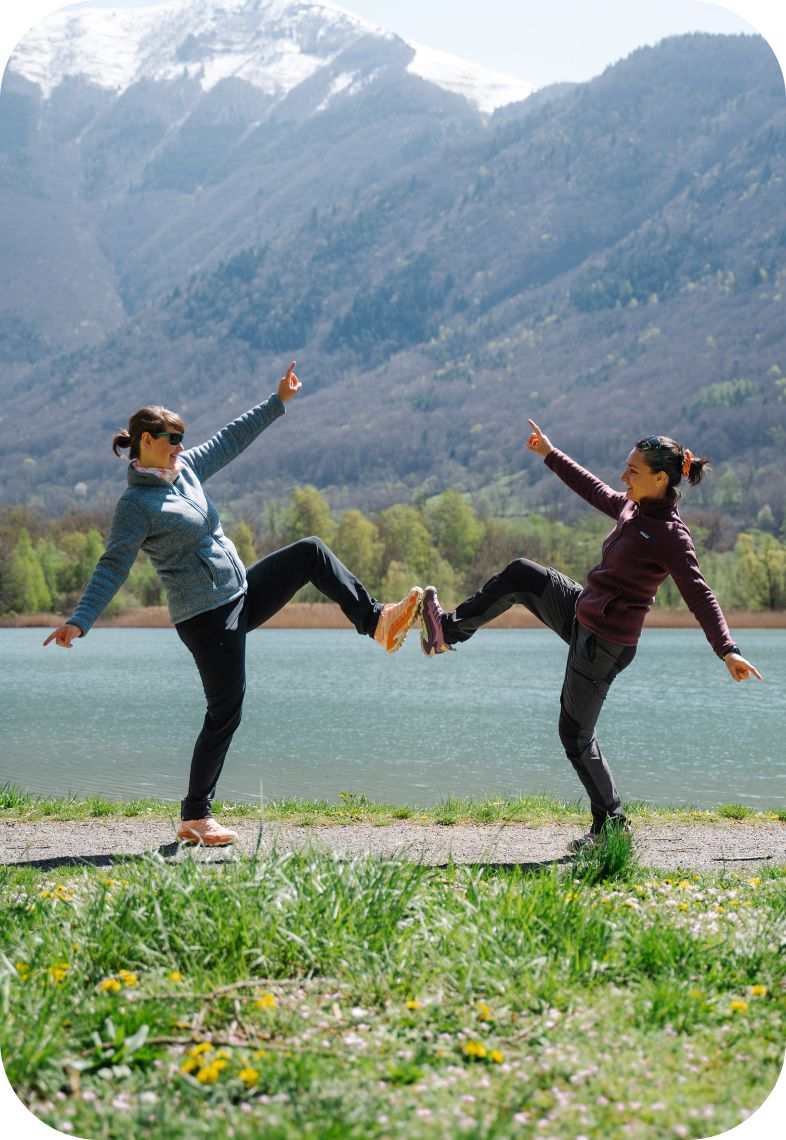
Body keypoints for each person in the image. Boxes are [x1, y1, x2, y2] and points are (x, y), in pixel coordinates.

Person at [44, 363, 423, 846]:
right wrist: (80, 621)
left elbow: (230, 439)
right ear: (145, 441)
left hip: (239, 592)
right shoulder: (134, 506)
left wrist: (277, 401)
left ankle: (377, 622)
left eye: (181, 438)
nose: (179, 446)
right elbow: (113, 565)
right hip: (205, 617)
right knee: (225, 711)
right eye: (171, 439)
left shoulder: (185, 470)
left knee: (310, 552)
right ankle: (195, 816)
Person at [419, 420, 763, 851]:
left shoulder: (671, 536)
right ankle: (447, 632)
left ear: (660, 478)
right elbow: (593, 488)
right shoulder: (633, 508)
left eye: (633, 470)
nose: (623, 476)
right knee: (523, 574)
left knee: (575, 735)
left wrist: (727, 649)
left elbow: (699, 593)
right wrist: (550, 453)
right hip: (582, 611)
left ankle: (611, 827)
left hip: (604, 643)